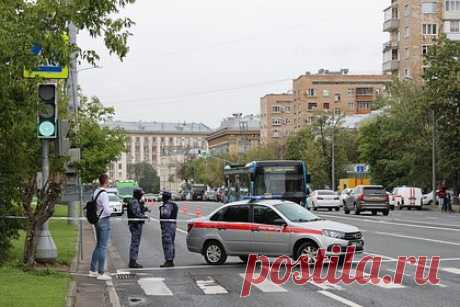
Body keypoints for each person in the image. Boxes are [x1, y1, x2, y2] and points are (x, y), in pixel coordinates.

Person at [89, 174, 113, 281]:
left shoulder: (96, 192)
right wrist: (112, 210)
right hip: (104, 220)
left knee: (98, 245)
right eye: (108, 181)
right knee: (103, 246)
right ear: (106, 181)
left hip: (97, 220)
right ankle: (101, 272)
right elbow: (107, 210)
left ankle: (92, 270)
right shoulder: (104, 194)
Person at [127, 188, 149, 268]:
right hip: (135, 225)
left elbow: (138, 210)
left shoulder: (135, 201)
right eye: (141, 194)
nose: (142, 195)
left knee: (135, 243)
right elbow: (136, 213)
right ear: (137, 194)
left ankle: (133, 260)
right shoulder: (134, 201)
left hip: (135, 224)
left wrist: (144, 209)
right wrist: (144, 216)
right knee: (135, 243)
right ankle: (133, 261)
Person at [159, 191, 178, 267]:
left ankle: (169, 260)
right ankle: (171, 259)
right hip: (172, 225)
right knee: (171, 243)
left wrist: (161, 209)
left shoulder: (167, 205)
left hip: (167, 226)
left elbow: (165, 214)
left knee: (167, 243)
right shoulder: (174, 205)